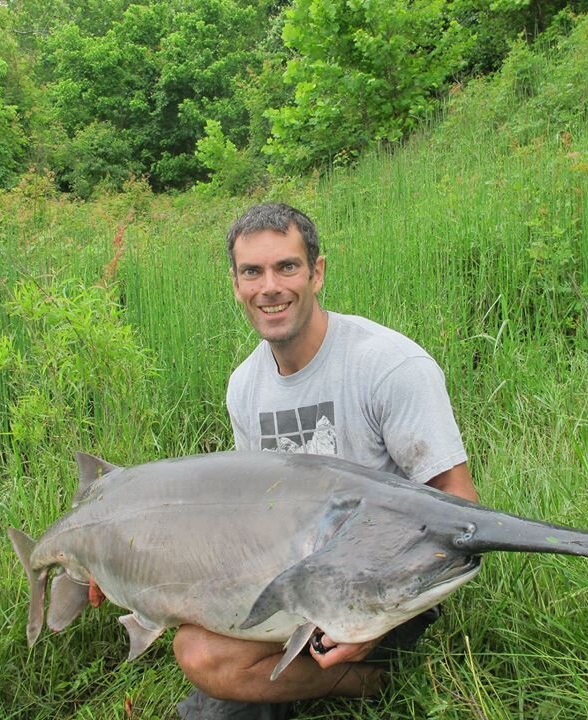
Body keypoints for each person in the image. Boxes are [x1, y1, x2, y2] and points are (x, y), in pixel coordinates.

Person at [174, 203, 478, 719]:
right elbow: (257, 521)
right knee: (198, 652)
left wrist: (366, 619)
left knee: (221, 690)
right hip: (296, 583)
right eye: (253, 272)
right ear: (236, 285)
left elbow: (460, 504)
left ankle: (376, 672)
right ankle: (354, 683)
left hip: (384, 589)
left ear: (316, 272)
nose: (269, 286)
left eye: (286, 267)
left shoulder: (387, 364)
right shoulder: (245, 387)